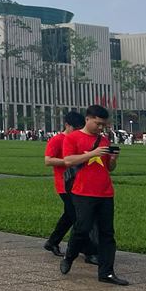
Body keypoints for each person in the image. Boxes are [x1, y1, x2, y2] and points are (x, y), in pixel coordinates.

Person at [59, 105, 128, 285]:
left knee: (107, 233)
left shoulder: (104, 140)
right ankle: (69, 256)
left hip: (105, 191)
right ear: (88, 119)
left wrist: (113, 160)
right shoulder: (73, 138)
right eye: (98, 124)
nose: (100, 128)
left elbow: (108, 168)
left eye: (103, 125)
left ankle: (106, 272)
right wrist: (93, 153)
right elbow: (68, 160)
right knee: (82, 228)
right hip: (83, 191)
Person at [43, 111, 97, 263]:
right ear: (67, 125)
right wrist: (68, 161)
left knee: (69, 216)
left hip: (78, 183)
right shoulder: (57, 140)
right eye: (76, 128)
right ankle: (89, 251)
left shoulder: (78, 139)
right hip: (64, 185)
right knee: (79, 219)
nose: (78, 130)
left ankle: (52, 242)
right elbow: (48, 161)